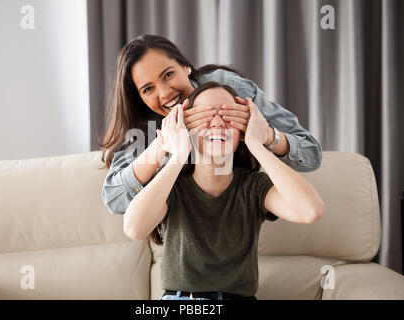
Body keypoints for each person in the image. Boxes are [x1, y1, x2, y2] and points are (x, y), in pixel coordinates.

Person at [123, 82, 325, 300]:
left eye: (229, 117)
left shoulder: (253, 187)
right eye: (206, 116)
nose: (218, 123)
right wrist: (179, 154)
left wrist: (259, 143)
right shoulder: (171, 186)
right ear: (187, 129)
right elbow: (134, 229)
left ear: (242, 132)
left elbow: (310, 211)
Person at [101, 34, 322, 214]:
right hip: (177, 219)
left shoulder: (229, 90)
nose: (165, 93)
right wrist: (162, 143)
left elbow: (311, 155)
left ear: (185, 66)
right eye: (148, 89)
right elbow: (115, 199)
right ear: (139, 97)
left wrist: (265, 136)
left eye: (168, 75)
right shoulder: (145, 122)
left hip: (241, 209)